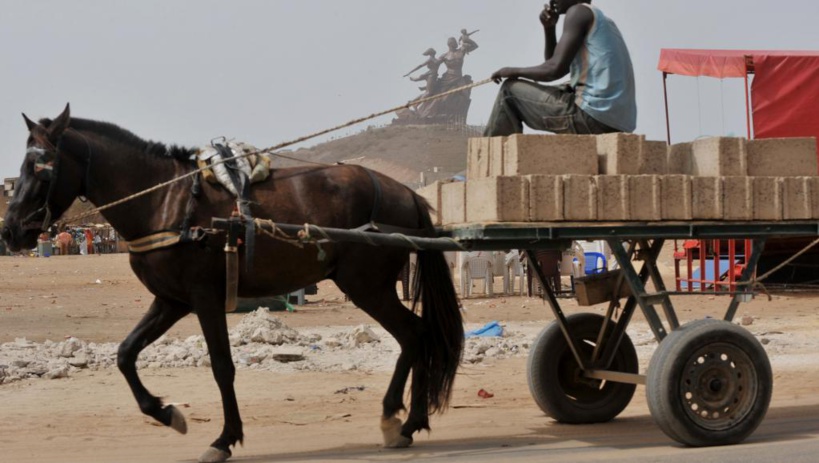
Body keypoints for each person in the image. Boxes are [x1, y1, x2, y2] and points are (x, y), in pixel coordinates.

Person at [484, 0, 636, 137]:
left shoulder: (578, 12)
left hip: (591, 118)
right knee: (565, 86)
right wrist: (549, 29)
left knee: (509, 92)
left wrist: (511, 71)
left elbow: (553, 69)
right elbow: (558, 65)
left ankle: (486, 164)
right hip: (616, 123)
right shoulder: (602, 20)